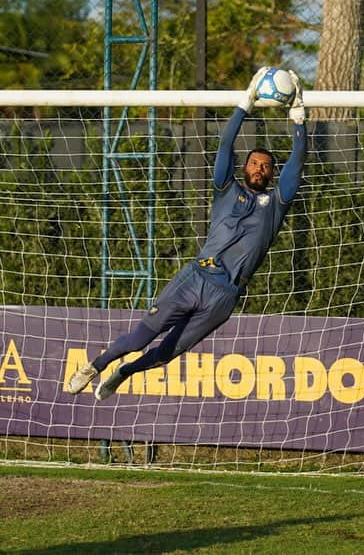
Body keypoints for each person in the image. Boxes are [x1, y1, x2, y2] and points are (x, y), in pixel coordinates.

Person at [65, 67, 308, 401]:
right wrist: (245, 103)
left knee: (166, 354)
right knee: (138, 339)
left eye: (265, 166)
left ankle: (124, 373)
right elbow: (225, 145)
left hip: (225, 297)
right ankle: (97, 365)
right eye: (254, 163)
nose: (259, 168)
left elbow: (298, 162)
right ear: (245, 167)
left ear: (271, 173)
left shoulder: (277, 203)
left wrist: (299, 117)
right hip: (194, 278)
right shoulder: (226, 189)